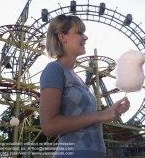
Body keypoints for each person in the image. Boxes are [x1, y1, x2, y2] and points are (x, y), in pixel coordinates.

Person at [39, 14, 130, 158]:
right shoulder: (54, 70)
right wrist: (100, 115)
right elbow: (49, 126)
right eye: (80, 33)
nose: (85, 37)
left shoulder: (77, 78)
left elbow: (84, 117)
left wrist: (112, 110)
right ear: (62, 37)